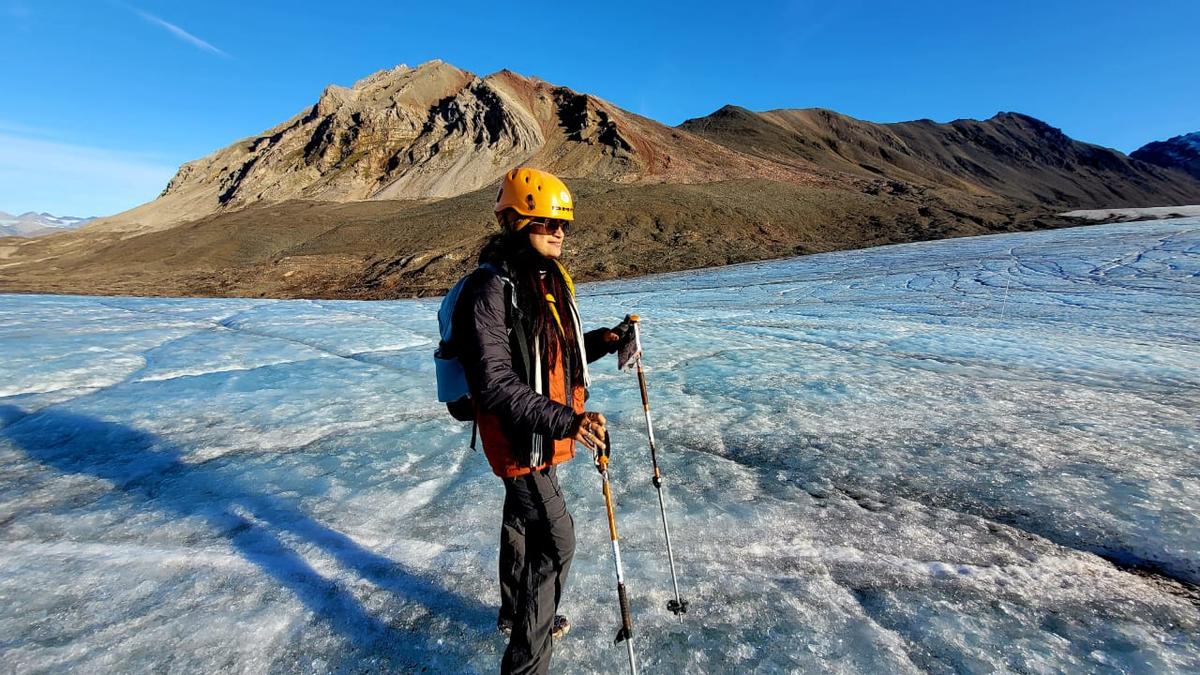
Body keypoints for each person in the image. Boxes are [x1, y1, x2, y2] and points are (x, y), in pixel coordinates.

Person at [452, 167, 631, 675]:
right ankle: (526, 663)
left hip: (543, 432)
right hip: (518, 438)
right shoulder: (491, 288)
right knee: (556, 539)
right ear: (514, 221)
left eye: (562, 224)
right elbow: (495, 382)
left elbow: (555, 357)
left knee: (521, 521)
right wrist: (568, 422)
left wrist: (605, 340)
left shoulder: (546, 281)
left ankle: (516, 611)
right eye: (543, 221)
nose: (557, 231)